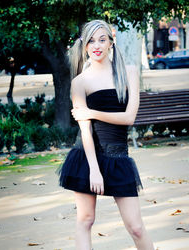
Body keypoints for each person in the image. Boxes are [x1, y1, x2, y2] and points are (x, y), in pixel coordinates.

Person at [58, 20, 154, 250]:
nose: (97, 45)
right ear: (85, 45)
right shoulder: (80, 82)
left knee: (136, 227)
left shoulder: (128, 72)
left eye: (102, 39)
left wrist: (91, 111)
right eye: (91, 40)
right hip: (87, 156)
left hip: (119, 156)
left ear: (111, 42)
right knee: (86, 220)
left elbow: (129, 118)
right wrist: (94, 169)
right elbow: (85, 129)